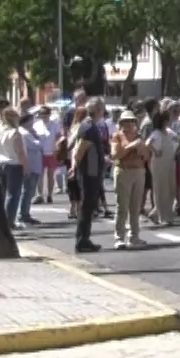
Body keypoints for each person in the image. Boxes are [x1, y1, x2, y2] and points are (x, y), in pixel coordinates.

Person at [70, 100, 108, 253]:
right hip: (88, 173)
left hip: (91, 172)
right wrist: (75, 166)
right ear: (98, 109)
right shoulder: (88, 127)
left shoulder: (89, 126)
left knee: (88, 206)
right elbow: (79, 149)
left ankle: (84, 239)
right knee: (86, 206)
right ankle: (82, 240)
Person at [110, 111, 150, 249]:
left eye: (132, 121)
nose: (129, 124)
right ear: (121, 123)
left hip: (138, 171)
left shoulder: (138, 136)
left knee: (135, 207)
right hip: (123, 171)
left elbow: (146, 156)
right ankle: (119, 237)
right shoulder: (117, 136)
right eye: (126, 121)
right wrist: (130, 146)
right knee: (122, 206)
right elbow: (115, 154)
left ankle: (134, 236)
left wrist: (141, 148)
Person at [0, 108, 27, 232]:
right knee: (13, 194)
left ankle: (0, 221)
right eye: (16, 117)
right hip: (14, 164)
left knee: (2, 193)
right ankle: (9, 222)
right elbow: (20, 152)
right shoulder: (15, 133)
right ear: (12, 118)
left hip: (0, 162)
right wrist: (26, 166)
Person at [146, 110, 179, 226]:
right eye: (166, 120)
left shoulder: (169, 132)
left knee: (170, 188)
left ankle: (162, 214)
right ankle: (161, 216)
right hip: (159, 163)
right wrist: (156, 151)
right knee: (160, 189)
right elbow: (148, 143)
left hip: (169, 162)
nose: (168, 122)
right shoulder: (156, 133)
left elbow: (176, 139)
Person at [17, 108, 41, 227]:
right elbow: (37, 145)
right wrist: (37, 136)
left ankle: (24, 213)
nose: (33, 124)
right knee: (27, 191)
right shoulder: (26, 133)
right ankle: (23, 214)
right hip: (30, 164)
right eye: (31, 121)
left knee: (27, 191)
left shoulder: (22, 132)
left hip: (30, 164)